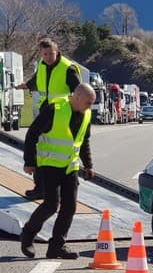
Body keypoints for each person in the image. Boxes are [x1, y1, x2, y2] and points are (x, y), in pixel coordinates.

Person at [19, 83, 96, 260]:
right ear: (76, 98)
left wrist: (89, 165)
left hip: (70, 166)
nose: (90, 107)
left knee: (70, 206)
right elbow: (32, 133)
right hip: (49, 165)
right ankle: (28, 234)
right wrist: (29, 162)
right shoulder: (55, 109)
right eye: (88, 102)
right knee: (51, 205)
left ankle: (57, 246)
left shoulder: (86, 114)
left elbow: (83, 141)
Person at [16, 38, 82, 200]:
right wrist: (26, 85)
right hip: (46, 112)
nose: (47, 57)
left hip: (62, 114)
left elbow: (79, 91)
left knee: (60, 152)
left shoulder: (67, 68)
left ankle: (66, 184)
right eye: (44, 54)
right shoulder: (42, 65)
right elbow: (37, 80)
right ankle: (41, 188)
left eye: (50, 54)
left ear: (57, 51)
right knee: (42, 151)